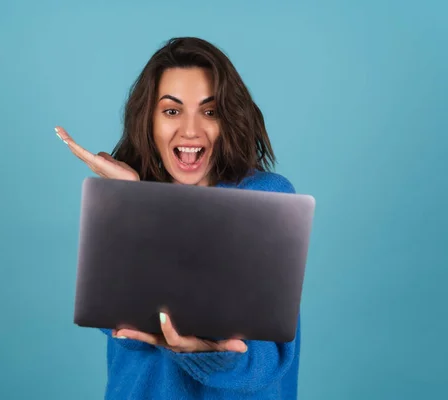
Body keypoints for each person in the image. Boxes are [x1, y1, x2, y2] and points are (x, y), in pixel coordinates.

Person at [56, 37, 300, 399]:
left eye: (209, 111)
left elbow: (269, 359)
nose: (190, 130)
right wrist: (133, 204)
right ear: (149, 121)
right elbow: (121, 332)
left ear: (228, 118)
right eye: (171, 111)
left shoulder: (266, 198)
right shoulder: (125, 199)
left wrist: (204, 352)